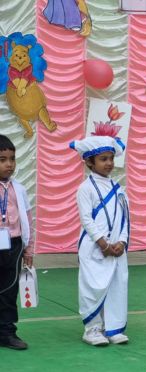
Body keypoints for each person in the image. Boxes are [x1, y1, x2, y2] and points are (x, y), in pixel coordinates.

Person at [70, 134, 130, 346]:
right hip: (95, 247)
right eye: (103, 159)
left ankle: (113, 327)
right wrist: (103, 243)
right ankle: (92, 329)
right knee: (93, 287)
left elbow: (125, 218)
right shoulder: (84, 188)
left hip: (116, 249)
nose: (109, 163)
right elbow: (86, 219)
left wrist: (121, 242)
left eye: (111, 158)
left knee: (116, 286)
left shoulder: (119, 189)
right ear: (89, 162)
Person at [0, 134, 33, 350]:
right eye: (2, 159)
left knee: (9, 291)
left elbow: (28, 220)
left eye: (12, 159)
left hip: (14, 245)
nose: (9, 164)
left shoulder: (19, 189)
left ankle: (7, 332)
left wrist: (29, 248)